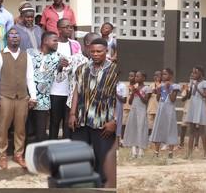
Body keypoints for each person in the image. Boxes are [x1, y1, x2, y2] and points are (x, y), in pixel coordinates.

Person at [68, 38, 117, 183]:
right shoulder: (82, 69)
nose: (95, 54)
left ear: (106, 51)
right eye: (93, 51)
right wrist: (72, 113)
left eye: (99, 51)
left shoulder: (115, 71)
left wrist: (114, 121)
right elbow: (76, 92)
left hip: (103, 124)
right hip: (81, 121)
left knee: (103, 159)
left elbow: (120, 99)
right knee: (80, 157)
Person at [0, 28, 37, 169]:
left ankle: (18, 155)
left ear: (20, 39)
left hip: (22, 97)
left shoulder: (26, 56)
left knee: (20, 128)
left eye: (17, 35)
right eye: (11, 35)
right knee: (3, 128)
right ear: (7, 39)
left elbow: (30, 77)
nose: (15, 37)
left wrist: (33, 96)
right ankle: (2, 155)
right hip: (5, 97)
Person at [48, 18, 83, 139]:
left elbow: (80, 63)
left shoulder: (75, 44)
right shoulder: (53, 44)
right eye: (66, 27)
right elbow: (46, 66)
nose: (70, 29)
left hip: (70, 92)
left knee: (68, 124)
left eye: (71, 27)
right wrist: (58, 66)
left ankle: (65, 152)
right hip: (55, 90)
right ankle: (51, 149)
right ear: (59, 29)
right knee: (54, 122)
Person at [26, 32, 61, 145]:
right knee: (26, 130)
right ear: (45, 41)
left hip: (43, 101)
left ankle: (38, 157)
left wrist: (60, 68)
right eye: (54, 40)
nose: (57, 43)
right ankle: (24, 155)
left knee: (41, 133)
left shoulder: (58, 57)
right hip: (26, 98)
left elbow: (60, 79)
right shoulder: (29, 53)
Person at [149, 68, 179, 158]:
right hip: (161, 109)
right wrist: (158, 92)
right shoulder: (160, 86)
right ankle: (156, 152)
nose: (163, 76)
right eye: (162, 74)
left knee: (170, 128)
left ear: (171, 75)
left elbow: (173, 99)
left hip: (169, 109)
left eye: (165, 74)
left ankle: (170, 152)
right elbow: (158, 99)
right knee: (159, 128)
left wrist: (168, 88)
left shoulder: (175, 86)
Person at [181, 66, 206, 159]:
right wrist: (188, 89)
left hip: (200, 105)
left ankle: (205, 153)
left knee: (202, 131)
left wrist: (197, 88)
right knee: (191, 131)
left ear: (201, 74)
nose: (193, 74)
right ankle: (189, 153)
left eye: (195, 73)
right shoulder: (192, 83)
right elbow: (190, 95)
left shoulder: (205, 83)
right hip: (193, 105)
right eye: (193, 73)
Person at [124, 71, 151, 159]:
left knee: (141, 129)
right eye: (135, 76)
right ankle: (133, 151)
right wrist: (132, 93)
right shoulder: (134, 87)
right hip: (133, 111)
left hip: (141, 111)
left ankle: (141, 151)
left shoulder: (147, 88)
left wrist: (138, 92)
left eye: (138, 76)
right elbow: (130, 102)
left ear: (143, 78)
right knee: (133, 129)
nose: (136, 78)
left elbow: (145, 101)